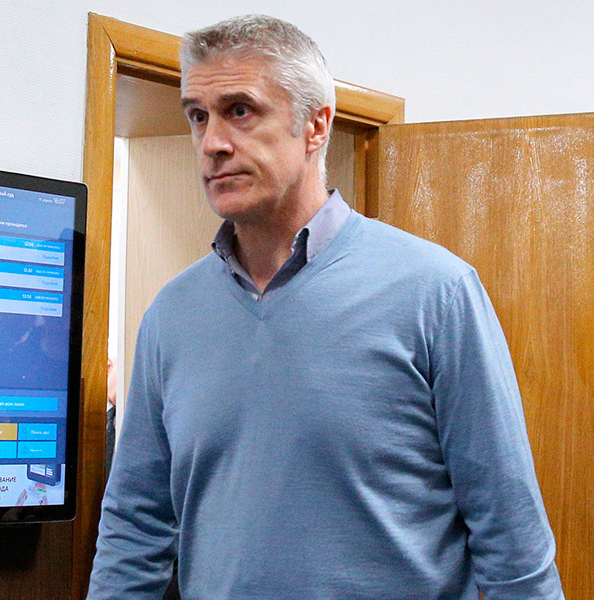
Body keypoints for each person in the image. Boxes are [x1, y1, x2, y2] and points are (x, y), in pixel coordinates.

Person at [87, 15, 564, 600]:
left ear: (316, 126)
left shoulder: (434, 292)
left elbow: (512, 539)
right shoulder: (172, 314)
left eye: (240, 110)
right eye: (198, 115)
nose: (212, 143)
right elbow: (135, 527)